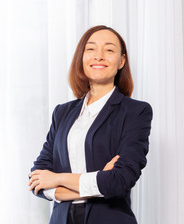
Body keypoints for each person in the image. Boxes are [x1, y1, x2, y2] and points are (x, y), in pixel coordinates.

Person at [28, 25, 153, 224]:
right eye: (91, 49)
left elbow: (119, 181)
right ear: (82, 58)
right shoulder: (62, 113)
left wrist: (58, 179)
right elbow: (37, 179)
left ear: (121, 61)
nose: (99, 56)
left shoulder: (135, 112)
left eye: (109, 50)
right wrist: (98, 181)